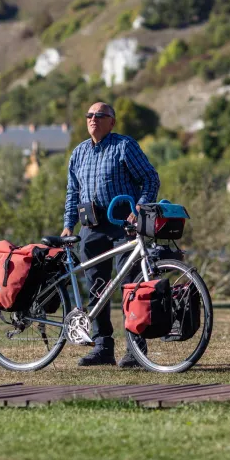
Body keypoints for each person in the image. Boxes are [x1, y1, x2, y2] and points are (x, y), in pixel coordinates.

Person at [61, 101, 160, 367]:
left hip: (122, 226)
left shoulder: (124, 146)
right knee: (97, 289)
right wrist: (69, 225)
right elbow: (72, 193)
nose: (93, 119)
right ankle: (103, 348)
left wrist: (139, 208)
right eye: (89, 115)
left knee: (131, 288)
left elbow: (150, 178)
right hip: (90, 229)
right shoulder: (79, 152)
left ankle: (136, 351)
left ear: (112, 122)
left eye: (100, 115)